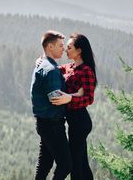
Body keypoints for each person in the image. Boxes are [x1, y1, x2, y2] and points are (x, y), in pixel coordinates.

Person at [51, 33, 97, 180]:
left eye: (69, 47)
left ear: (79, 51)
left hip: (80, 122)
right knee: (81, 161)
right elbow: (55, 69)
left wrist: (69, 98)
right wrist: (42, 60)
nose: (66, 50)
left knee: (75, 163)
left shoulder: (86, 71)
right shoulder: (70, 67)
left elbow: (89, 99)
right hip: (74, 121)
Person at [30, 30, 72, 180]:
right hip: (52, 125)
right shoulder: (51, 70)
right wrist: (73, 97)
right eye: (60, 45)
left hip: (43, 123)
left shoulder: (42, 65)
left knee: (45, 164)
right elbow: (55, 98)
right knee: (66, 164)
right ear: (50, 47)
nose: (64, 49)